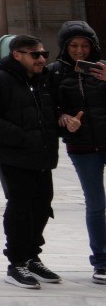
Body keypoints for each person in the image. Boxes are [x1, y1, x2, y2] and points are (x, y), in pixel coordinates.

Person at [0, 33, 62, 289]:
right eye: (35, 55)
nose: (42, 59)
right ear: (17, 55)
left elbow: (50, 112)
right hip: (14, 155)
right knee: (21, 207)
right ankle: (16, 263)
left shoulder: (43, 81)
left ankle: (32, 256)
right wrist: (19, 137)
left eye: (44, 54)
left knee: (42, 206)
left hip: (42, 155)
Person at [48, 21, 106, 284]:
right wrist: (64, 120)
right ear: (64, 47)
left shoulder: (103, 68)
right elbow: (49, 110)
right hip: (82, 146)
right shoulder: (55, 73)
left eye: (84, 45)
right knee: (95, 204)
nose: (80, 51)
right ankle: (102, 262)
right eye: (74, 46)